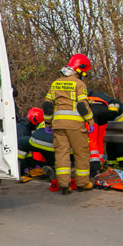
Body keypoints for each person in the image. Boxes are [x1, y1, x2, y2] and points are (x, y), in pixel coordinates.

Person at [43, 54, 95, 194]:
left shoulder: (56, 83)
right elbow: (82, 106)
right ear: (80, 69)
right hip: (75, 125)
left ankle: (64, 185)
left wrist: (48, 124)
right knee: (81, 154)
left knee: (61, 154)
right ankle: (82, 183)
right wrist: (90, 121)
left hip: (58, 125)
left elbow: (48, 106)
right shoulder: (79, 84)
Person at [87, 91, 123, 176]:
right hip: (113, 121)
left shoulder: (97, 96)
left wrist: (103, 119)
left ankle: (122, 164)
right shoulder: (93, 96)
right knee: (111, 143)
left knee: (119, 144)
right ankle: (112, 164)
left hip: (122, 118)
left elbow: (114, 107)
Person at [17, 107, 44, 174]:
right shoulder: (23, 130)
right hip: (20, 163)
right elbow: (21, 152)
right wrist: (25, 168)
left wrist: (33, 165)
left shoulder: (23, 127)